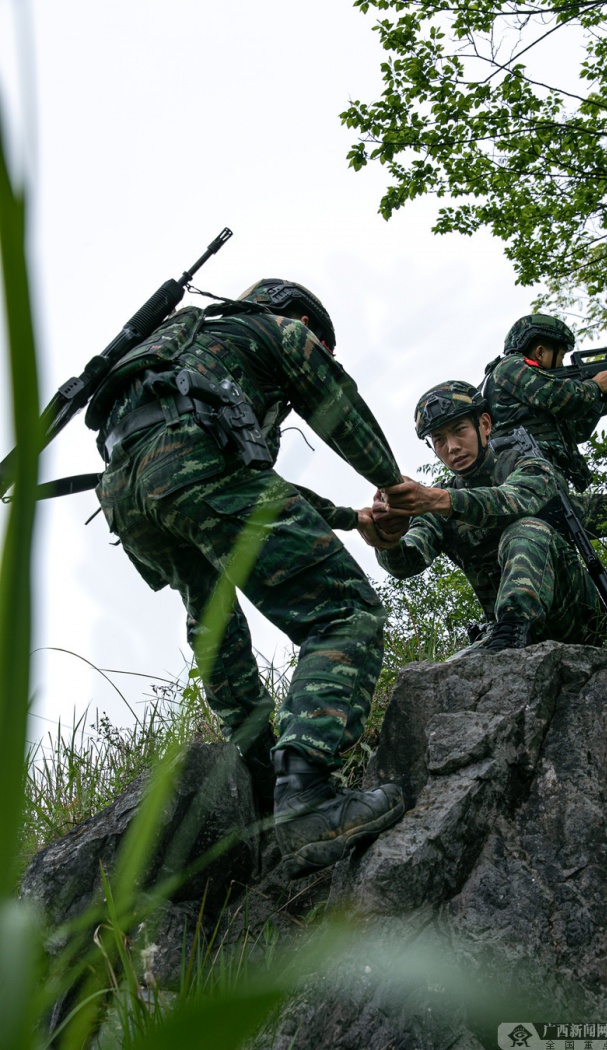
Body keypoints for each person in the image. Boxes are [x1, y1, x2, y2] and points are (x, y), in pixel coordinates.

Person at [84, 278, 404, 876]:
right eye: (323, 345)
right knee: (342, 611)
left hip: (130, 495)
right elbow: (334, 404)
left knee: (218, 633)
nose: (322, 355)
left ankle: (262, 792)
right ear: (303, 320)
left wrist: (351, 517)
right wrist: (392, 484)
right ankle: (306, 797)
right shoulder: (274, 329)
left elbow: (254, 485)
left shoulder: (186, 351)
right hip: (192, 464)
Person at [371, 381, 605, 651]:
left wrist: (438, 500)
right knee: (453, 670)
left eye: (459, 431)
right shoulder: (437, 504)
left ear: (484, 425)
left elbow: (514, 501)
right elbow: (408, 561)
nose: (452, 447)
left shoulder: (528, 464)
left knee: (525, 529)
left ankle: (512, 630)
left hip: (574, 615)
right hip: (503, 633)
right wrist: (386, 537)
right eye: (439, 440)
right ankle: (506, 637)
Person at [484, 314, 607, 605]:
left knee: (574, 579)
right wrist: (594, 386)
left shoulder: (534, 390)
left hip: (551, 493)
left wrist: (606, 390)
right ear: (540, 351)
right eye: (560, 356)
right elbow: (555, 395)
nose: (562, 365)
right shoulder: (510, 368)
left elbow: (577, 430)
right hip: (532, 492)